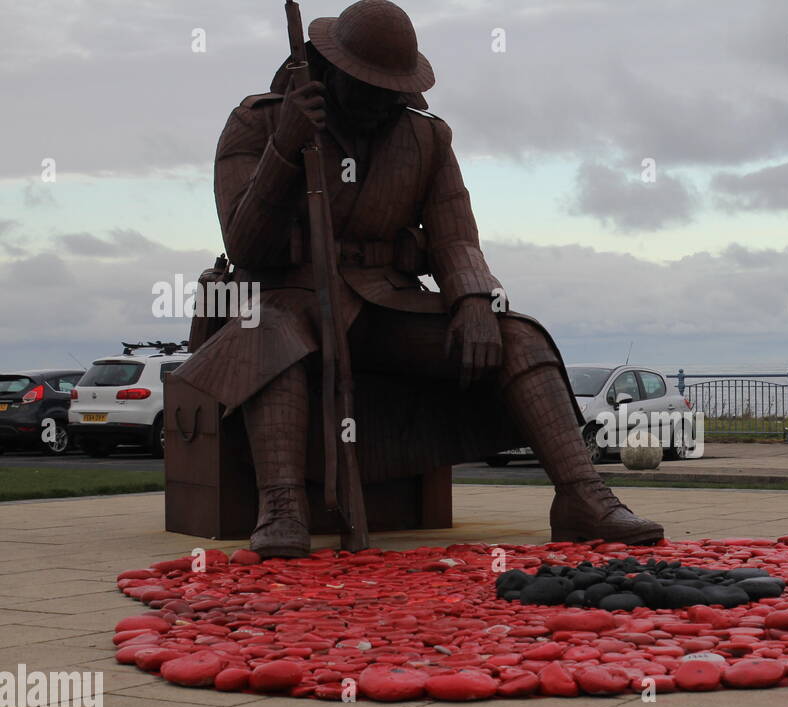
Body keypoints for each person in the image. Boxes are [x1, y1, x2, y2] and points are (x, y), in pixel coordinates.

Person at [172, 0, 663, 557]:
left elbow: (455, 235)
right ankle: (283, 505)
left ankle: (582, 496)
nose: (381, 102)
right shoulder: (260, 120)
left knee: (519, 337)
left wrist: (474, 300)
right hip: (286, 302)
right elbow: (245, 242)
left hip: (385, 307)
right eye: (367, 86)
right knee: (269, 335)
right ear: (330, 69)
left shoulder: (426, 138)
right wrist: (285, 145)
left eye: (391, 89)